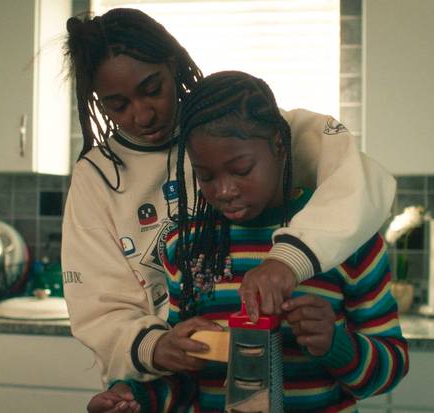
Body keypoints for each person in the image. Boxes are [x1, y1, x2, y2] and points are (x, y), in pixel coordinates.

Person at [61, 8, 397, 387]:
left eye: (151, 88)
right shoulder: (97, 178)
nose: (141, 115)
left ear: (173, 63)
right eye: (117, 105)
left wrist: (287, 262)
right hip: (158, 388)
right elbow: (96, 306)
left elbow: (362, 183)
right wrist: (153, 347)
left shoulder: (248, 126)